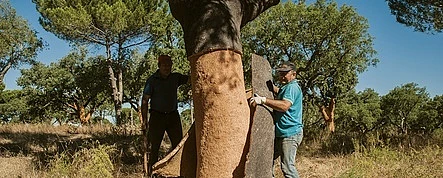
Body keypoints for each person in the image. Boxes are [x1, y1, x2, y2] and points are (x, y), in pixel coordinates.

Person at [249, 61, 303, 178]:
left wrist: (264, 100)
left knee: (287, 167)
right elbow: (282, 93)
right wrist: (272, 88)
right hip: (283, 133)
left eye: (285, 73)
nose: (282, 76)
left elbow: (284, 106)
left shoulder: (292, 87)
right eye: (280, 73)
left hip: (290, 133)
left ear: (293, 74)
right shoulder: (287, 87)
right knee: (268, 160)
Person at [141, 55, 189, 174]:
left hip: (173, 115)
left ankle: (178, 171)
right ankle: (151, 173)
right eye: (164, 65)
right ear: (159, 66)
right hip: (157, 117)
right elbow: (145, 100)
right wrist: (144, 120)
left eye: (169, 65)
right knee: (154, 147)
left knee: (178, 145)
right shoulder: (152, 80)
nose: (167, 68)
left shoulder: (175, 77)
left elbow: (191, 78)